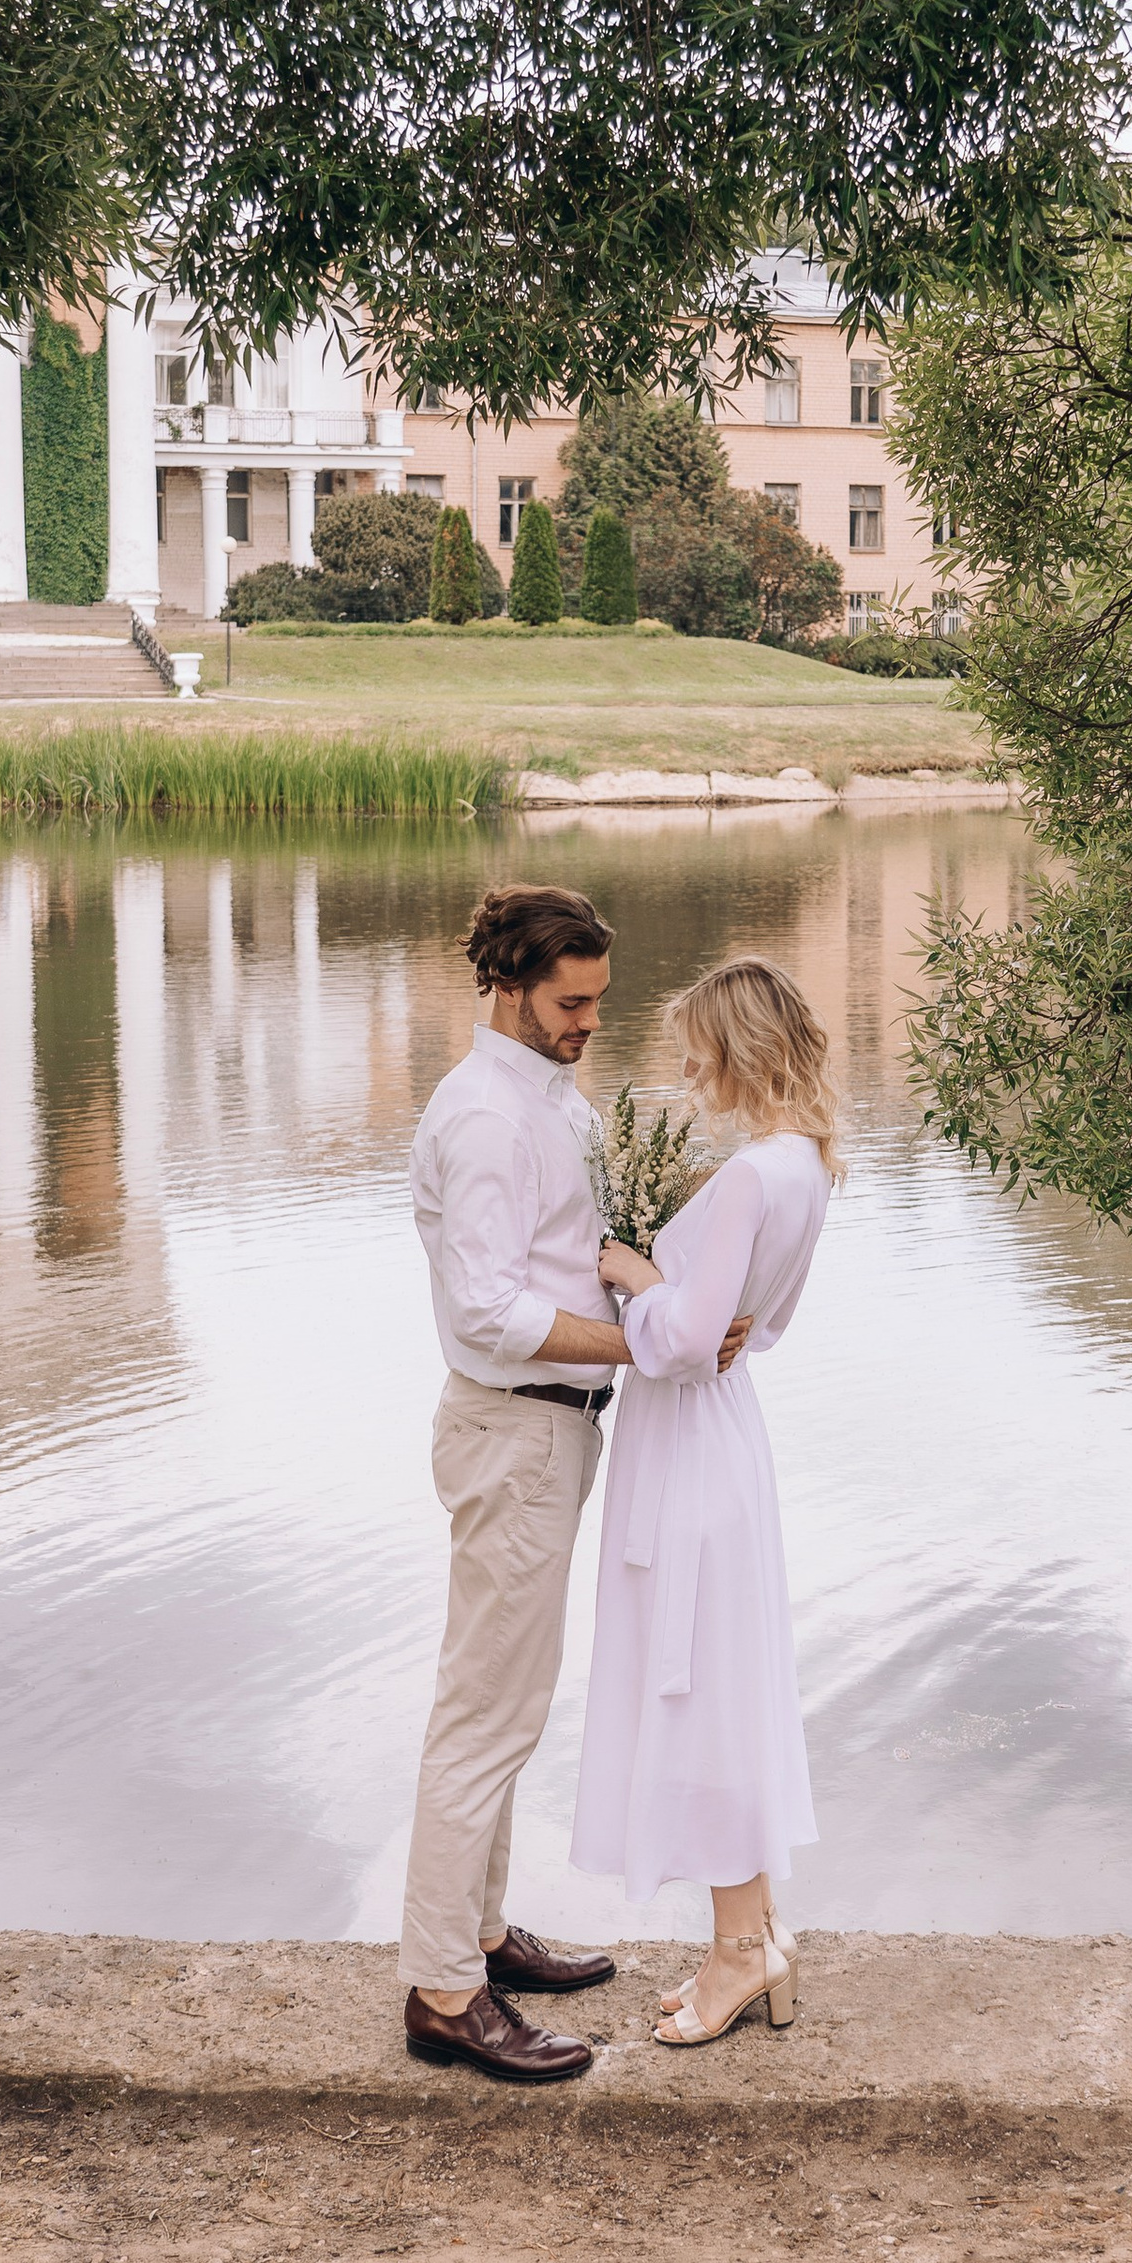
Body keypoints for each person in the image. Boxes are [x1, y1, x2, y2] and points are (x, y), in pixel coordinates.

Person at [400, 882, 745, 2085]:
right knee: (483, 1716)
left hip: (547, 1434)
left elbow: (560, 1258)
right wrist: (652, 1335)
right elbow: (489, 1311)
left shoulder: (542, 1095)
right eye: (570, 1001)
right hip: (513, 1430)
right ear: (508, 984)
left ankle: (482, 1940)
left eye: (599, 1000)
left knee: (507, 1703)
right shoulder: (488, 1118)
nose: (590, 1020)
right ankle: (445, 1993)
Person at [572, 954, 839, 2049]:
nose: (684, 1065)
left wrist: (634, 1274)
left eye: (696, 1044)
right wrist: (688, 1310)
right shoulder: (807, 1166)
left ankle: (737, 1954)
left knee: (700, 1692)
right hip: (727, 1437)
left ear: (738, 1046)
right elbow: (747, 1330)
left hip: (690, 1446)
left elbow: (684, 1343)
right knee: (728, 1679)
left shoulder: (747, 1180)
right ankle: (760, 1933)